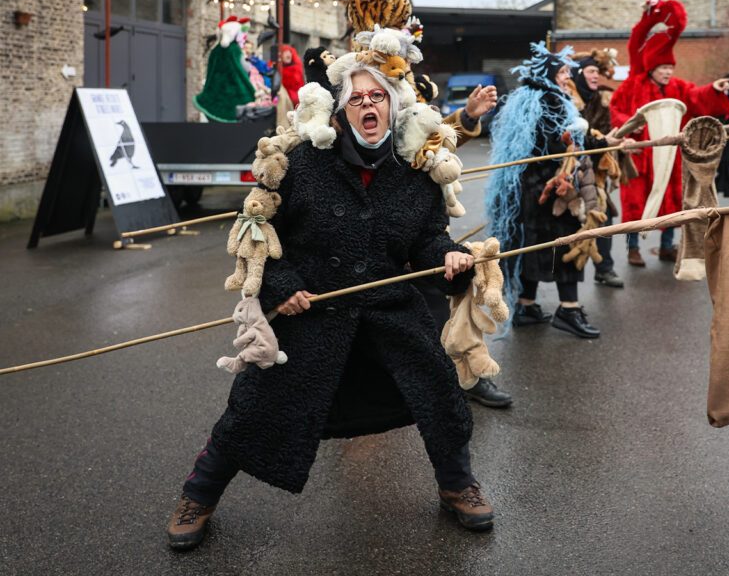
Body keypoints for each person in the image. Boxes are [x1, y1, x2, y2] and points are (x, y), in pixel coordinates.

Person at [166, 62, 495, 551]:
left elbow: (427, 239)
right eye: (356, 98)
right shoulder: (302, 165)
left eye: (377, 97)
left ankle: (456, 484)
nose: (368, 104)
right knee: (252, 408)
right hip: (314, 312)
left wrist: (451, 258)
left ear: (393, 107)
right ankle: (198, 495)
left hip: (388, 310)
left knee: (439, 394)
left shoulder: (415, 173)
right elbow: (260, 237)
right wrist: (283, 285)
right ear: (340, 113)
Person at [486, 43, 621, 339]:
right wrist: (600, 143)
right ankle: (569, 310)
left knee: (534, 245)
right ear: (547, 73)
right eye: (561, 72)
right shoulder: (550, 100)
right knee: (564, 244)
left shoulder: (530, 97)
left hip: (530, 187)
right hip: (553, 186)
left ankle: (526, 306)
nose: (565, 76)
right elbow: (561, 144)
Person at [409, 74, 512, 408]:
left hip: (424, 236)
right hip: (373, 248)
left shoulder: (409, 102)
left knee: (448, 313)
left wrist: (468, 116)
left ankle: (467, 378)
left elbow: (435, 137)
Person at [610, 0, 729, 267]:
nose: (667, 72)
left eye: (670, 68)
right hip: (640, 155)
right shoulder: (633, 85)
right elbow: (616, 108)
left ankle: (667, 246)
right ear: (652, 68)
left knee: (672, 200)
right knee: (636, 204)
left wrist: (715, 88)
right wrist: (630, 126)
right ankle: (633, 248)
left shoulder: (679, 86)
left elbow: (697, 98)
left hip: (669, 156)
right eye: (663, 68)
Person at [567, 48, 626, 288]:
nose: (595, 76)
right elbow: (575, 137)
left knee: (605, 215)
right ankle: (564, 283)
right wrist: (601, 140)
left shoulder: (601, 100)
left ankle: (604, 269)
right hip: (569, 172)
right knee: (569, 220)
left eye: (597, 72)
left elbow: (606, 131)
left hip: (595, 173)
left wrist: (615, 143)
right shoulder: (567, 100)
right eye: (591, 71)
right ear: (579, 73)